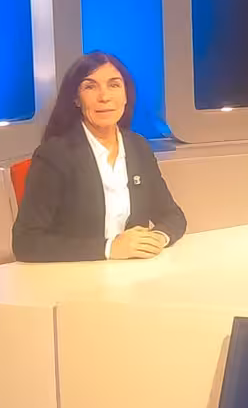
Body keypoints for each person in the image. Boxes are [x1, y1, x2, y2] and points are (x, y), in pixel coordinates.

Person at [13, 52, 187, 262]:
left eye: (114, 85)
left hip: (133, 271)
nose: (104, 97)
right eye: (90, 87)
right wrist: (109, 248)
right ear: (76, 99)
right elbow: (26, 242)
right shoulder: (55, 155)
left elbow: (173, 216)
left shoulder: (138, 147)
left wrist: (158, 237)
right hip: (75, 276)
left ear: (126, 95)